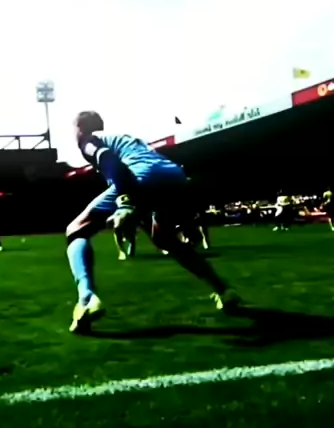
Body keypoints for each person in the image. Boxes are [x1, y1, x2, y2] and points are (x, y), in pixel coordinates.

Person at [65, 111, 240, 333]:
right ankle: (223, 290)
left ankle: (86, 298)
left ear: (80, 128)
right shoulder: (123, 137)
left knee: (76, 230)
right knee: (164, 238)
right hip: (174, 177)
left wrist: (125, 203)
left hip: (141, 176)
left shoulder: (88, 141)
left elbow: (109, 160)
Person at [107, 194, 137, 260]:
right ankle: (127, 245)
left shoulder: (119, 198)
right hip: (128, 211)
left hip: (124, 212)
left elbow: (109, 220)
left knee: (124, 233)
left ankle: (124, 249)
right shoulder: (127, 196)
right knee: (128, 233)